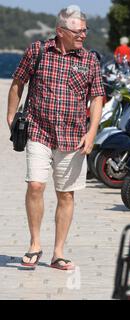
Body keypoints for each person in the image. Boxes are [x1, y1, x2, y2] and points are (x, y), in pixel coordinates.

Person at [6, 5, 105, 270]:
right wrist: (11, 116)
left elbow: (97, 97)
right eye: (77, 30)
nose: (83, 35)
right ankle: (35, 244)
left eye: (85, 30)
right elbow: (18, 82)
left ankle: (58, 252)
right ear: (60, 31)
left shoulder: (90, 60)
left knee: (66, 195)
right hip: (38, 130)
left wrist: (92, 131)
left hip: (73, 137)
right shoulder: (37, 51)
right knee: (36, 186)